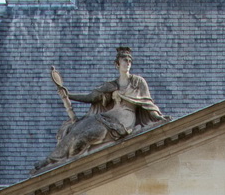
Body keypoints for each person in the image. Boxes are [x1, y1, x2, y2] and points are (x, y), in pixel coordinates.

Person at [35, 47, 165, 171]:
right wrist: (69, 95)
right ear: (117, 64)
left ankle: (68, 165)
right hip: (108, 116)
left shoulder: (138, 82)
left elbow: (148, 103)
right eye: (125, 60)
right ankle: (51, 160)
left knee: (82, 138)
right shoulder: (112, 85)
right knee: (75, 129)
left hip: (124, 121)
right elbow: (91, 97)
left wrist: (158, 118)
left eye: (129, 61)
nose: (128, 63)